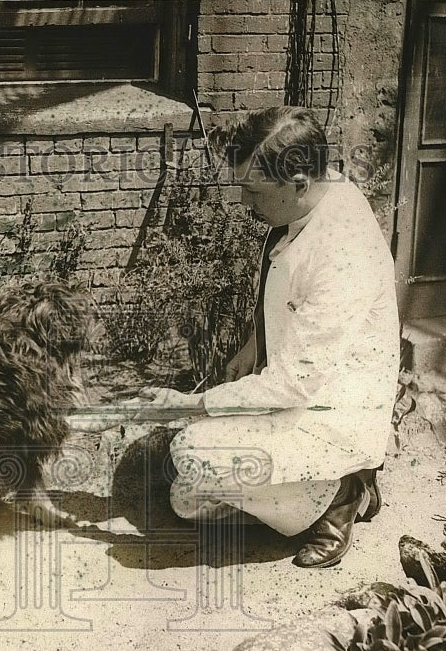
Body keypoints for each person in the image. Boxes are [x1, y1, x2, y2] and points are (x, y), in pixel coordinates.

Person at [132, 106, 400, 568]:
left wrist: (188, 404)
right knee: (184, 497)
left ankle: (343, 492)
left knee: (190, 454)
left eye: (252, 190)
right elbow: (287, 286)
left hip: (331, 413)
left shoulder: (342, 251)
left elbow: (293, 383)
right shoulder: (316, 194)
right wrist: (254, 343)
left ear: (298, 182)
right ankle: (312, 494)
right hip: (303, 389)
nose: (243, 202)